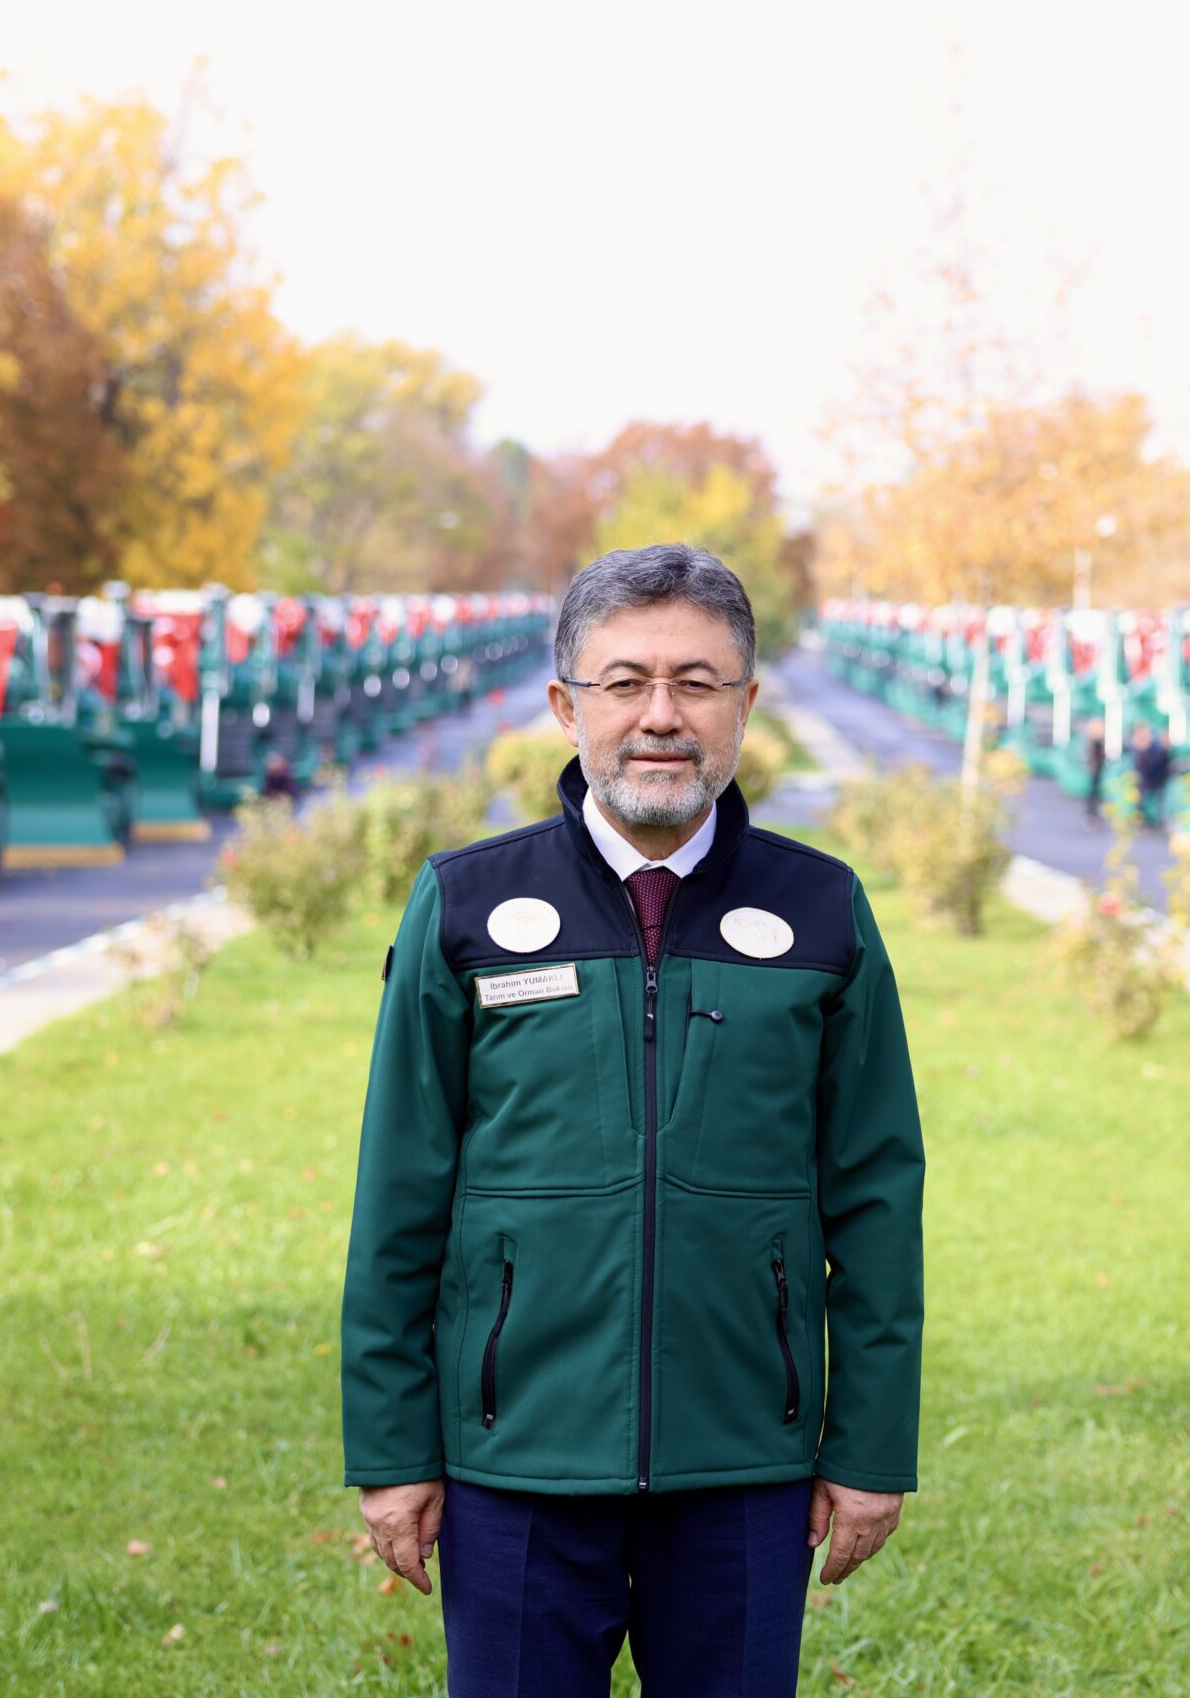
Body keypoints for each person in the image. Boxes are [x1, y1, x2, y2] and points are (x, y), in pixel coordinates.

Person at [341, 543, 926, 1698]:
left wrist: (867, 1450)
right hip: (515, 1463)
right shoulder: (463, 903)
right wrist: (394, 1450)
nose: (661, 715)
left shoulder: (822, 909)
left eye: (697, 682)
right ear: (567, 705)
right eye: (625, 681)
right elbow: (398, 1191)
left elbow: (874, 1197)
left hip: (744, 1464)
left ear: (745, 706)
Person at [1129, 723, 1175, 829]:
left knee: (1159, 799)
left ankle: (1159, 818)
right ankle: (1141, 816)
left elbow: (1160, 762)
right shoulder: (1136, 748)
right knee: (1141, 797)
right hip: (1144, 778)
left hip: (1157, 778)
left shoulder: (1156, 747)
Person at [1080, 713, 1108, 826]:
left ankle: (1092, 815)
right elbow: (1093, 758)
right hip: (1094, 771)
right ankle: (1091, 816)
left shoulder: (1096, 742)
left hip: (1097, 771)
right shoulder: (1093, 742)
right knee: (1093, 794)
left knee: (1094, 794)